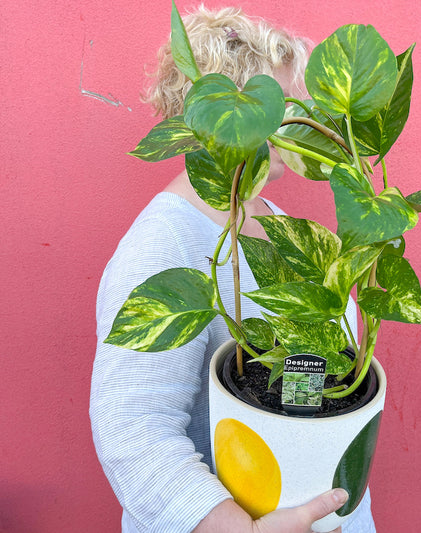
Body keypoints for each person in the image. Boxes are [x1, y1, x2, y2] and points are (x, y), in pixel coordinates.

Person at [90, 5, 377, 533]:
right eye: (283, 105)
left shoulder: (277, 222)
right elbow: (135, 434)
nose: (306, 121)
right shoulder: (167, 245)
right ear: (225, 110)